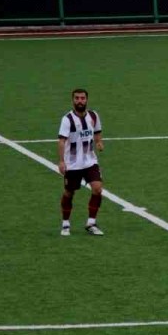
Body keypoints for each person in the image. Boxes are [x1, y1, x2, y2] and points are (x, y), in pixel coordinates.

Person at [57, 88, 105, 237]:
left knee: (97, 189)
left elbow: (97, 132)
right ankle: (66, 223)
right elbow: (61, 141)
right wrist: (61, 161)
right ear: (73, 100)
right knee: (69, 193)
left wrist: (98, 143)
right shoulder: (67, 119)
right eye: (77, 98)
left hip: (90, 161)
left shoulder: (93, 116)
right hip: (72, 164)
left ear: (87, 100)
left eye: (82, 98)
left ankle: (91, 223)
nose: (80, 101)